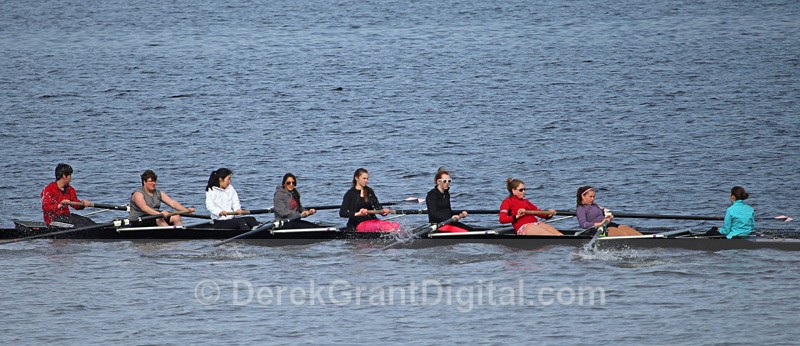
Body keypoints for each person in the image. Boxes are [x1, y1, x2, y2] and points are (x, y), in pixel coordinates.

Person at [339, 168, 399, 232]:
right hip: (358, 223)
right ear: (356, 178)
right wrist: (358, 214)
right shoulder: (350, 194)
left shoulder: (369, 191)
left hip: (373, 221)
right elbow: (342, 213)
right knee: (387, 227)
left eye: (367, 178)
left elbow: (377, 206)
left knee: (396, 225)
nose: (366, 181)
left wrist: (383, 212)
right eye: (364, 178)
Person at [129, 169, 195, 226]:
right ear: (144, 182)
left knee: (176, 216)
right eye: (151, 181)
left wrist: (186, 210)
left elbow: (173, 203)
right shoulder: (138, 194)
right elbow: (144, 208)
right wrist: (160, 214)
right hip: (138, 220)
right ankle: (171, 234)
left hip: (154, 217)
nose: (153, 183)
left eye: (154, 181)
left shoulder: (158, 193)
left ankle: (181, 233)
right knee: (159, 218)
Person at [575, 186, 641, 236]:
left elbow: (602, 216)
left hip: (607, 225)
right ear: (583, 196)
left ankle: (643, 238)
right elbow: (583, 224)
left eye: (594, 197)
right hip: (597, 230)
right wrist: (599, 224)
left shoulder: (595, 205)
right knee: (618, 232)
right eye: (590, 197)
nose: (593, 199)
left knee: (624, 228)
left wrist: (609, 217)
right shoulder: (581, 208)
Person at [425, 168, 474, 232]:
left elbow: (448, 212)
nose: (447, 183)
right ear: (438, 182)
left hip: (448, 222)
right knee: (467, 232)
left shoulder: (446, 194)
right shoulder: (432, 195)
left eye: (449, 181)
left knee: (471, 229)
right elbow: (433, 214)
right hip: (438, 225)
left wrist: (460, 213)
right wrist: (451, 218)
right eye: (445, 181)